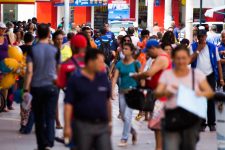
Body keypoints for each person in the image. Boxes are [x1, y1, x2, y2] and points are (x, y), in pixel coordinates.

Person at [155, 45, 214, 150]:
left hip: (191, 118)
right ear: (173, 59)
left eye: (183, 58)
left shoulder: (197, 74)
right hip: (172, 116)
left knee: (188, 146)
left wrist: (197, 93)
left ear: (189, 59)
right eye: (178, 58)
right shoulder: (167, 74)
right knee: (170, 146)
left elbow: (209, 92)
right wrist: (167, 92)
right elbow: (158, 92)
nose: (181, 61)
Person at [64, 48, 112, 150]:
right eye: (100, 62)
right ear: (90, 62)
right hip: (82, 125)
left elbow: (107, 101)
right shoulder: (75, 79)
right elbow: (68, 104)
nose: (103, 65)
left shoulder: (103, 77)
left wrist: (110, 122)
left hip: (102, 125)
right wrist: (67, 126)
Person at [23, 23, 60, 150]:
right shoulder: (55, 50)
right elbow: (58, 70)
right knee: (50, 116)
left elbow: (29, 71)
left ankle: (41, 144)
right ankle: (49, 142)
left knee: (39, 117)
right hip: (51, 87)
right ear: (49, 34)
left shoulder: (32, 50)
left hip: (37, 87)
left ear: (37, 34)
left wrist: (26, 89)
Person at [132, 39, 172, 150]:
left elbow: (150, 73)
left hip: (162, 99)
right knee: (158, 128)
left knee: (158, 128)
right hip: (160, 97)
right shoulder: (161, 58)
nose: (147, 54)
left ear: (153, 49)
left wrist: (137, 76)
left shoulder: (161, 58)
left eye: (148, 52)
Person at [190, 29, 224, 132]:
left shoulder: (212, 47)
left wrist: (221, 78)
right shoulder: (192, 47)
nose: (201, 38)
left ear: (206, 36)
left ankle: (211, 123)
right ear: (197, 37)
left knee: (211, 100)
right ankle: (201, 123)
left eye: (203, 36)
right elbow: (190, 60)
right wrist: (198, 50)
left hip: (210, 75)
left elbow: (218, 63)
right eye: (199, 36)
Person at [112, 43, 140, 147]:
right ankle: (133, 131)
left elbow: (141, 77)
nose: (124, 50)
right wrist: (112, 90)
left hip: (132, 92)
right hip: (122, 93)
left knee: (128, 116)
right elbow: (115, 77)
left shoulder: (136, 63)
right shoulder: (119, 64)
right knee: (123, 116)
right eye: (123, 49)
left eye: (126, 49)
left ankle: (124, 138)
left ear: (132, 51)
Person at [0, 22, 9, 112]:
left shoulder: (6, 38)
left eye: (4, 29)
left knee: (5, 85)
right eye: (2, 29)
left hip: (5, 64)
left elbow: (9, 49)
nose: (3, 30)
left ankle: (4, 104)